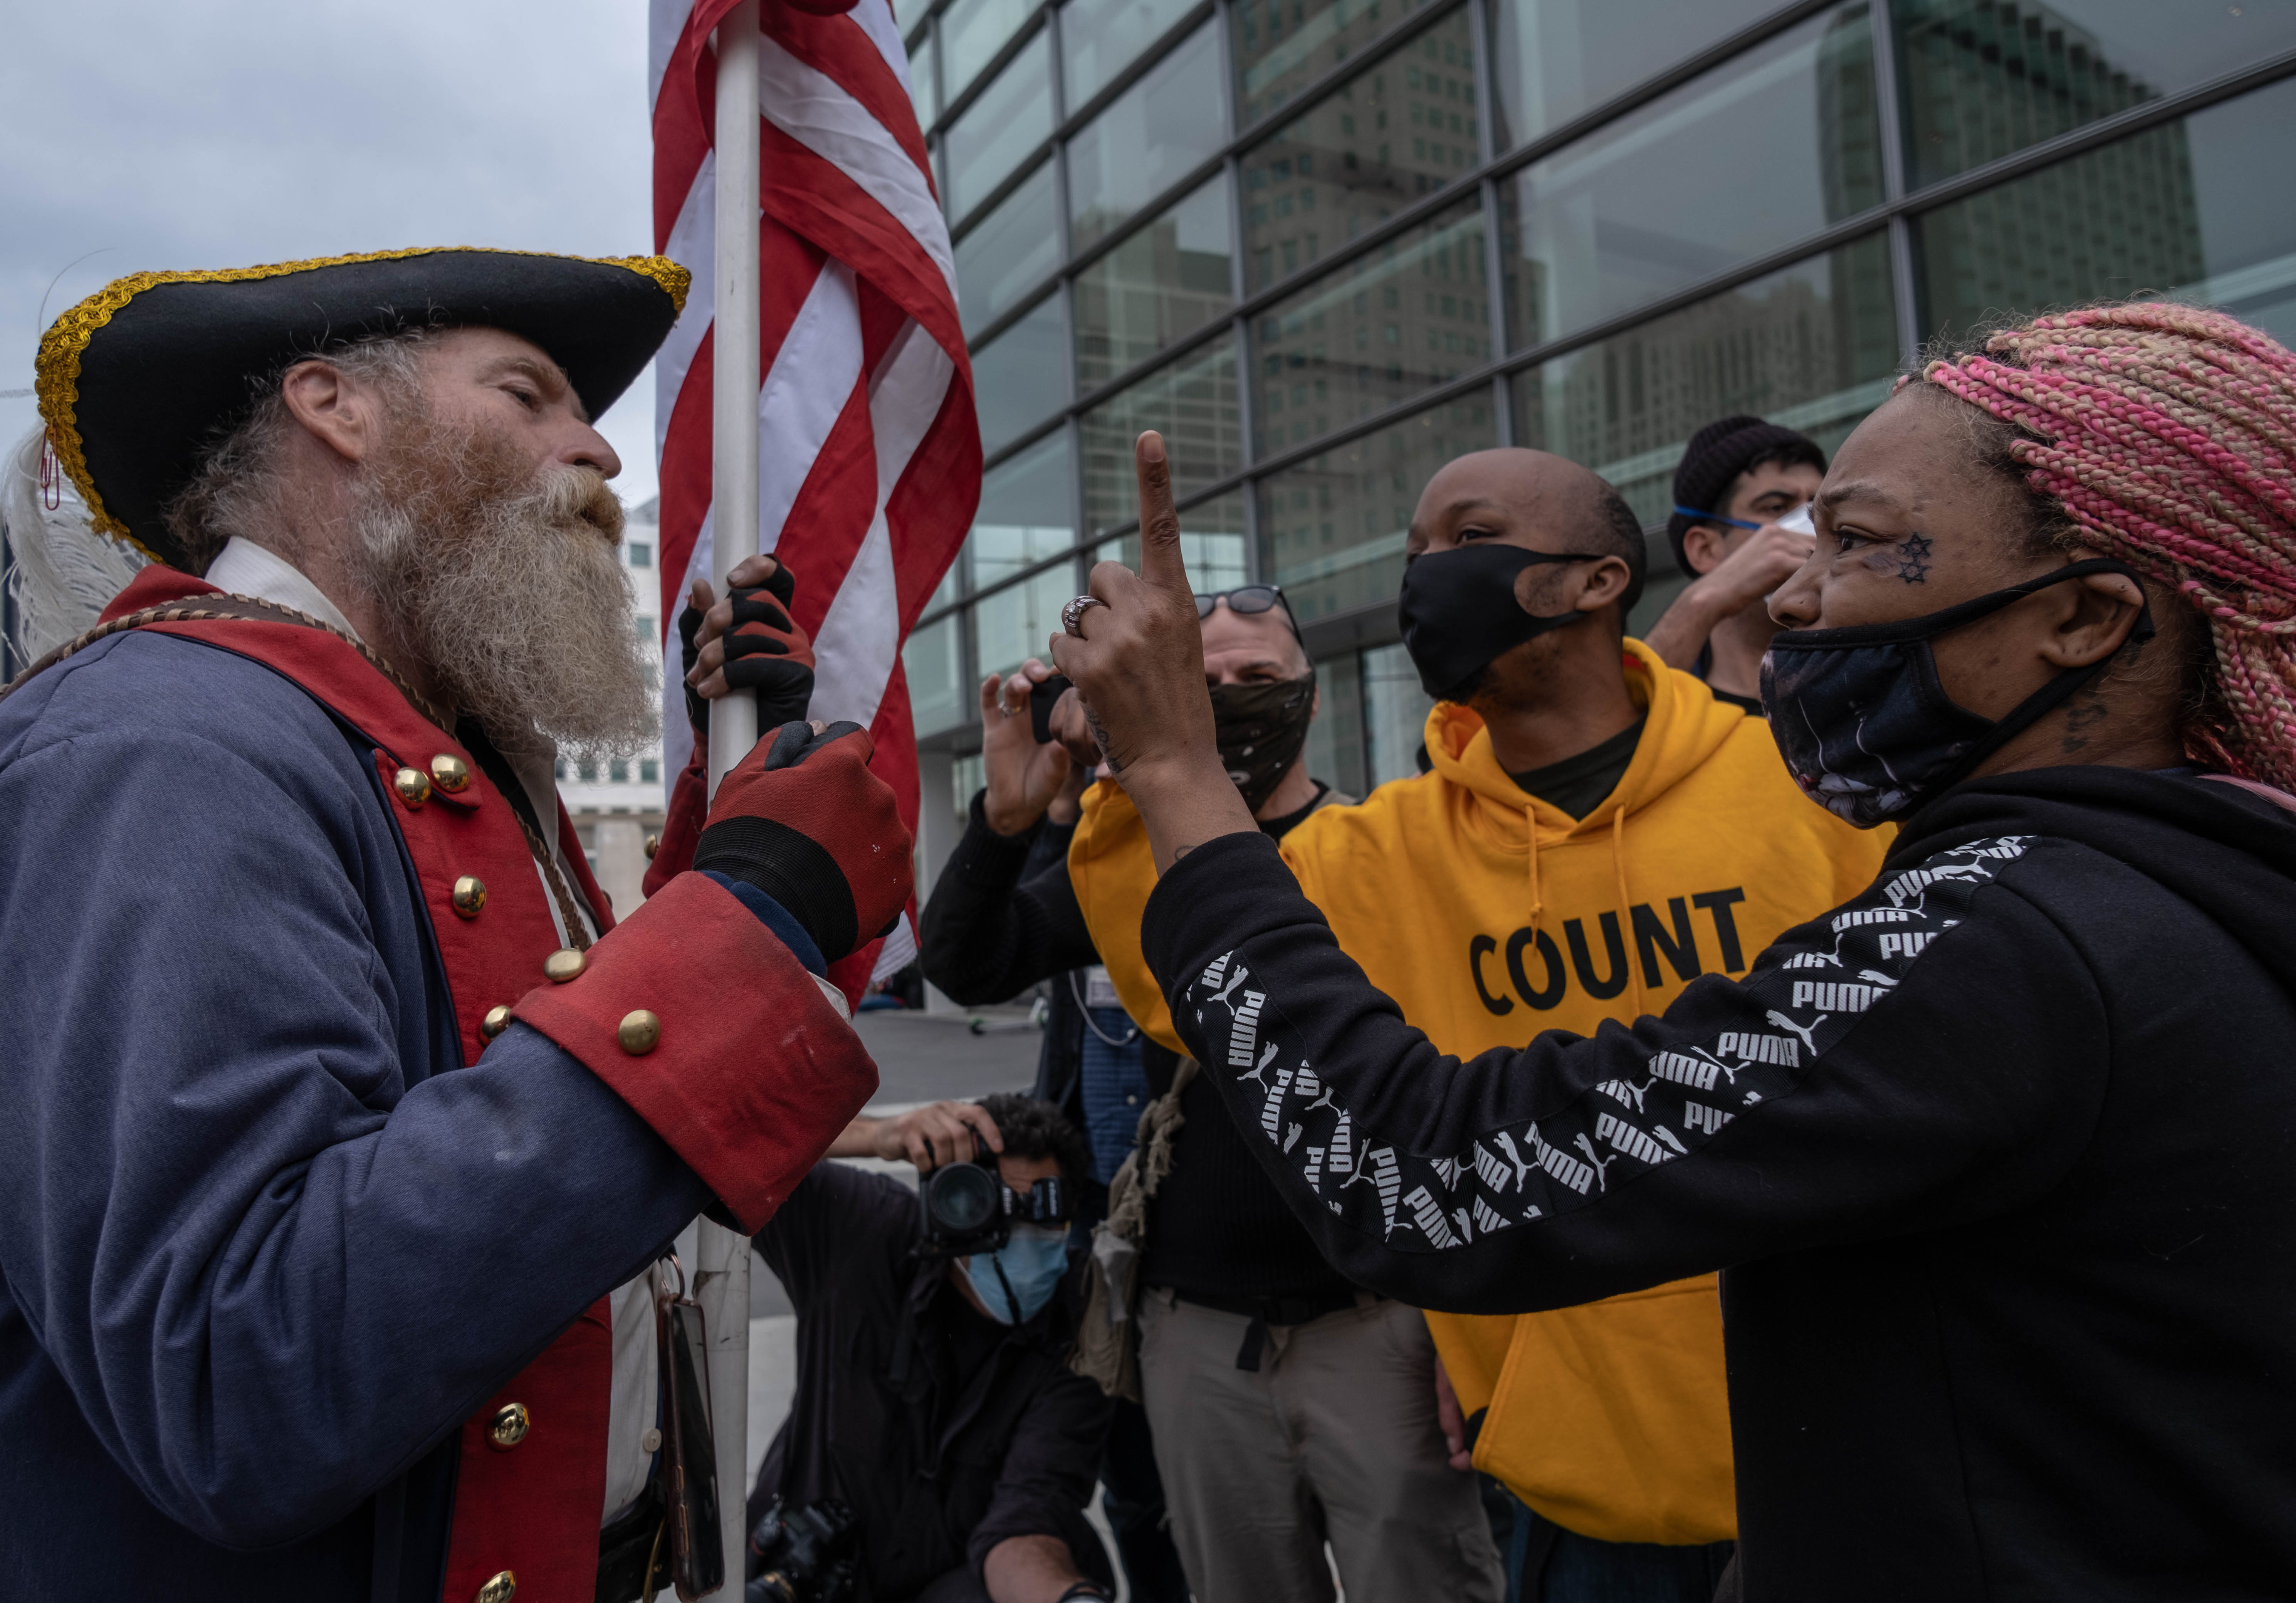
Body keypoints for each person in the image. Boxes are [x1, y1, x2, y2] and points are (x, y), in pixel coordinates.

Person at [1057, 303, 2296, 1597]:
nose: (1794, 590)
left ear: (2085, 619)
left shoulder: (2010, 942)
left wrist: (1175, 770)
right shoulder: (2180, 879)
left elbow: (1414, 1179)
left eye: (1856, 542)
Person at [0, 249, 911, 1601]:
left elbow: (517, 1070)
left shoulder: (421, 750)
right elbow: (236, 1375)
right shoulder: (163, 743)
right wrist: (748, 920)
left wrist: (737, 825)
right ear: (334, 408)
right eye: (528, 393)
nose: (597, 448)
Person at [1065, 444, 1886, 1599]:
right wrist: (1139, 760)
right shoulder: (1380, 852)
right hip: (1577, 1501)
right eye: (1410, 555)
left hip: (1853, 1482)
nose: (1422, 578)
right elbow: (1194, 982)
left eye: (1466, 537)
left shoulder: (1805, 792)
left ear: (1600, 580)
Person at [914, 605, 1506, 1603]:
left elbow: (1467, 1097)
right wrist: (1003, 825)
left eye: (1257, 678)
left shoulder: (1387, 846)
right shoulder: (1133, 863)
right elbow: (969, 964)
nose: (1233, 703)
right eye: (1207, 683)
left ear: (1309, 695)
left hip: (1377, 1329)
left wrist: (1468, 1334)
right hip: (1194, 1335)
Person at [746, 1095, 1120, 1603]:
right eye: (988, 1209)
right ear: (945, 1200)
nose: (1017, 1238)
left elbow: (1030, 1510)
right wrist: (875, 1136)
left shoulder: (1080, 1320)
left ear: (1072, 1215)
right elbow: (718, 1142)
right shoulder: (867, 1231)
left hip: (958, 1575)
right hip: (812, 1563)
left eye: (1042, 1217)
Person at [1642, 416, 1827, 713]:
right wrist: (1701, 603)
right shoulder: (1676, 706)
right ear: (1704, 550)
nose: (1811, 527)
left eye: (1819, 508)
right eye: (1777, 508)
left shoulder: (1861, 664)